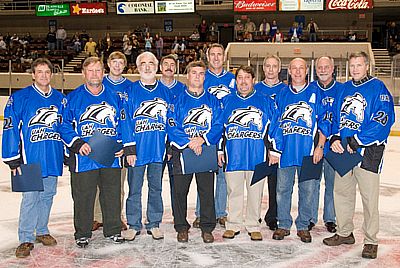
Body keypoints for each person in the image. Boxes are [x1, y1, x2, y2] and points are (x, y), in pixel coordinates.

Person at [323, 52, 395, 259]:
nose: (355, 69)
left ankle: (371, 240)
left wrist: (358, 140)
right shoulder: (344, 88)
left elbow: (383, 119)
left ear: (367, 66)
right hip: (344, 150)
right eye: (352, 65)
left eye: (359, 65)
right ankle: (345, 232)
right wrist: (334, 138)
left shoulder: (377, 87)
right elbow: (335, 117)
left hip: (367, 151)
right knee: (342, 193)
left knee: (369, 198)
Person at [2, 58, 65, 258]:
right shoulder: (20, 98)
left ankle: (42, 230)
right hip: (29, 159)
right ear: (33, 74)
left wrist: (66, 154)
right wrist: (13, 158)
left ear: (52, 74)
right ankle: (26, 238)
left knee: (47, 195)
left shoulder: (60, 99)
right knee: (30, 198)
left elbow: (66, 128)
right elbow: (11, 128)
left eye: (47, 72)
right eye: (40, 72)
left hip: (53, 156)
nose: (44, 76)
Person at [59, 56, 124, 248]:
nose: (95, 74)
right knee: (83, 196)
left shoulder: (114, 96)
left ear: (103, 73)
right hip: (84, 157)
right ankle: (83, 232)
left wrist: (120, 145)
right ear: (83, 73)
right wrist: (77, 143)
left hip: (109, 155)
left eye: (98, 70)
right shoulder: (72, 98)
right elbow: (63, 126)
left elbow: (123, 123)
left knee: (111, 193)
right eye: (91, 70)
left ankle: (113, 229)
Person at [272, 58, 329, 243]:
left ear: (306, 71)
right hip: (286, 153)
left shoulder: (316, 92)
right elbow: (275, 124)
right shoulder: (281, 94)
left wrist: (320, 146)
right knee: (282, 190)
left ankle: (303, 225)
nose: (297, 72)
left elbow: (324, 122)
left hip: (309, 153)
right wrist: (276, 149)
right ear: (289, 71)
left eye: (301, 68)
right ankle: (283, 224)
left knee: (309, 190)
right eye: (293, 68)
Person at [220, 66, 279, 241]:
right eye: (240, 78)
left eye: (247, 77)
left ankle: (253, 224)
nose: (243, 81)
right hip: (233, 155)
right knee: (234, 191)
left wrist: (274, 150)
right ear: (235, 81)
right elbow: (219, 129)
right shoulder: (226, 101)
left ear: (253, 80)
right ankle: (233, 224)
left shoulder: (265, 101)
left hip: (257, 156)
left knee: (256, 193)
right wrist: (218, 150)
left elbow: (274, 127)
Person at [167, 61, 223, 243]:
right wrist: (189, 142)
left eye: (201, 73)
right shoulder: (177, 99)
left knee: (206, 191)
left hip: (205, 150)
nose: (197, 76)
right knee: (179, 192)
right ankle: (182, 227)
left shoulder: (213, 100)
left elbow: (218, 124)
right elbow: (171, 124)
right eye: (194, 73)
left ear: (205, 77)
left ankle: (207, 227)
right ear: (187, 76)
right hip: (183, 151)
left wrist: (202, 139)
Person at [121, 52, 171, 241]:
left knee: (156, 188)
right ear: (138, 67)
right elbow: (125, 122)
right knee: (134, 188)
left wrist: (169, 146)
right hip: (138, 152)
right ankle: (134, 224)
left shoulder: (165, 92)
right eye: (143, 63)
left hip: (158, 150)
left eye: (151, 63)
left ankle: (154, 222)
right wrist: (130, 149)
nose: (148, 67)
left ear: (157, 66)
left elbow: (171, 122)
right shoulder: (130, 92)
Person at [192, 43, 236, 229]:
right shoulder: (202, 77)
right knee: (205, 174)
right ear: (207, 57)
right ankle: (202, 213)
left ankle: (220, 213)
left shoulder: (233, 79)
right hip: (207, 133)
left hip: (228, 132)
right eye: (213, 54)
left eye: (220, 54)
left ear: (224, 58)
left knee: (223, 175)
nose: (216, 58)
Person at [90, 52, 133, 232]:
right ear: (108, 64)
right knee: (96, 183)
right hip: (98, 140)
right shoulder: (99, 82)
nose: (117, 65)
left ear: (124, 65)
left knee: (117, 183)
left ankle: (116, 216)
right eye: (113, 62)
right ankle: (96, 217)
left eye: (120, 62)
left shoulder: (130, 87)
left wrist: (126, 143)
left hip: (118, 142)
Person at [254, 55, 288, 230]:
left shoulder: (285, 90)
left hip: (276, 142)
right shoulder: (256, 88)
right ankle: (254, 214)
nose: (271, 69)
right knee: (257, 182)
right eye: (268, 66)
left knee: (275, 183)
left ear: (279, 68)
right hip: (259, 142)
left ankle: (272, 215)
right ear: (264, 68)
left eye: (274, 66)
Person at [309, 56, 342, 233]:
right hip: (313, 143)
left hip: (334, 144)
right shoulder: (310, 88)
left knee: (332, 183)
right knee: (312, 183)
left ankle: (330, 218)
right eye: (320, 67)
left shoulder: (342, 90)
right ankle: (310, 218)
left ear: (333, 68)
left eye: (326, 67)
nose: (322, 70)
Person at [159, 54, 186, 217]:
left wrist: (173, 143)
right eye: (166, 64)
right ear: (160, 67)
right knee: (154, 184)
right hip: (155, 142)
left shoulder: (182, 89)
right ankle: (153, 218)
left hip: (175, 144)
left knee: (177, 184)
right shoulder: (153, 87)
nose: (169, 67)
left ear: (176, 69)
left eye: (172, 65)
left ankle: (178, 218)